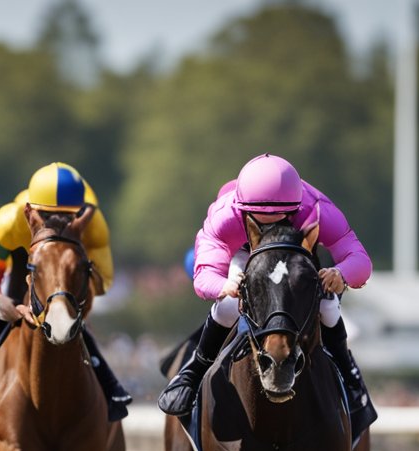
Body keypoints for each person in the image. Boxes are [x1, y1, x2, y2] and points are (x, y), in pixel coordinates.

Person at [158, 153, 373, 421]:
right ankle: (192, 373)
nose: (269, 224)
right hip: (247, 252)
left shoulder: (316, 208)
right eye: (261, 219)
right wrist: (224, 285)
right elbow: (204, 278)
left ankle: (350, 375)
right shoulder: (226, 215)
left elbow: (360, 260)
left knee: (328, 305)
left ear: (296, 209)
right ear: (243, 211)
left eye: (278, 218)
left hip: (296, 251)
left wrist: (340, 273)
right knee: (227, 307)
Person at [0, 162, 132, 421]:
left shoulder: (93, 225)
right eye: (47, 217)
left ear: (82, 214)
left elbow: (102, 284)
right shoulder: (9, 222)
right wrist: (1, 302)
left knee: (69, 314)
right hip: (26, 256)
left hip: (74, 261)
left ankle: (109, 385)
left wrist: (72, 285)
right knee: (3, 307)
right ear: (30, 213)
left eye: (68, 218)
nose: (58, 224)